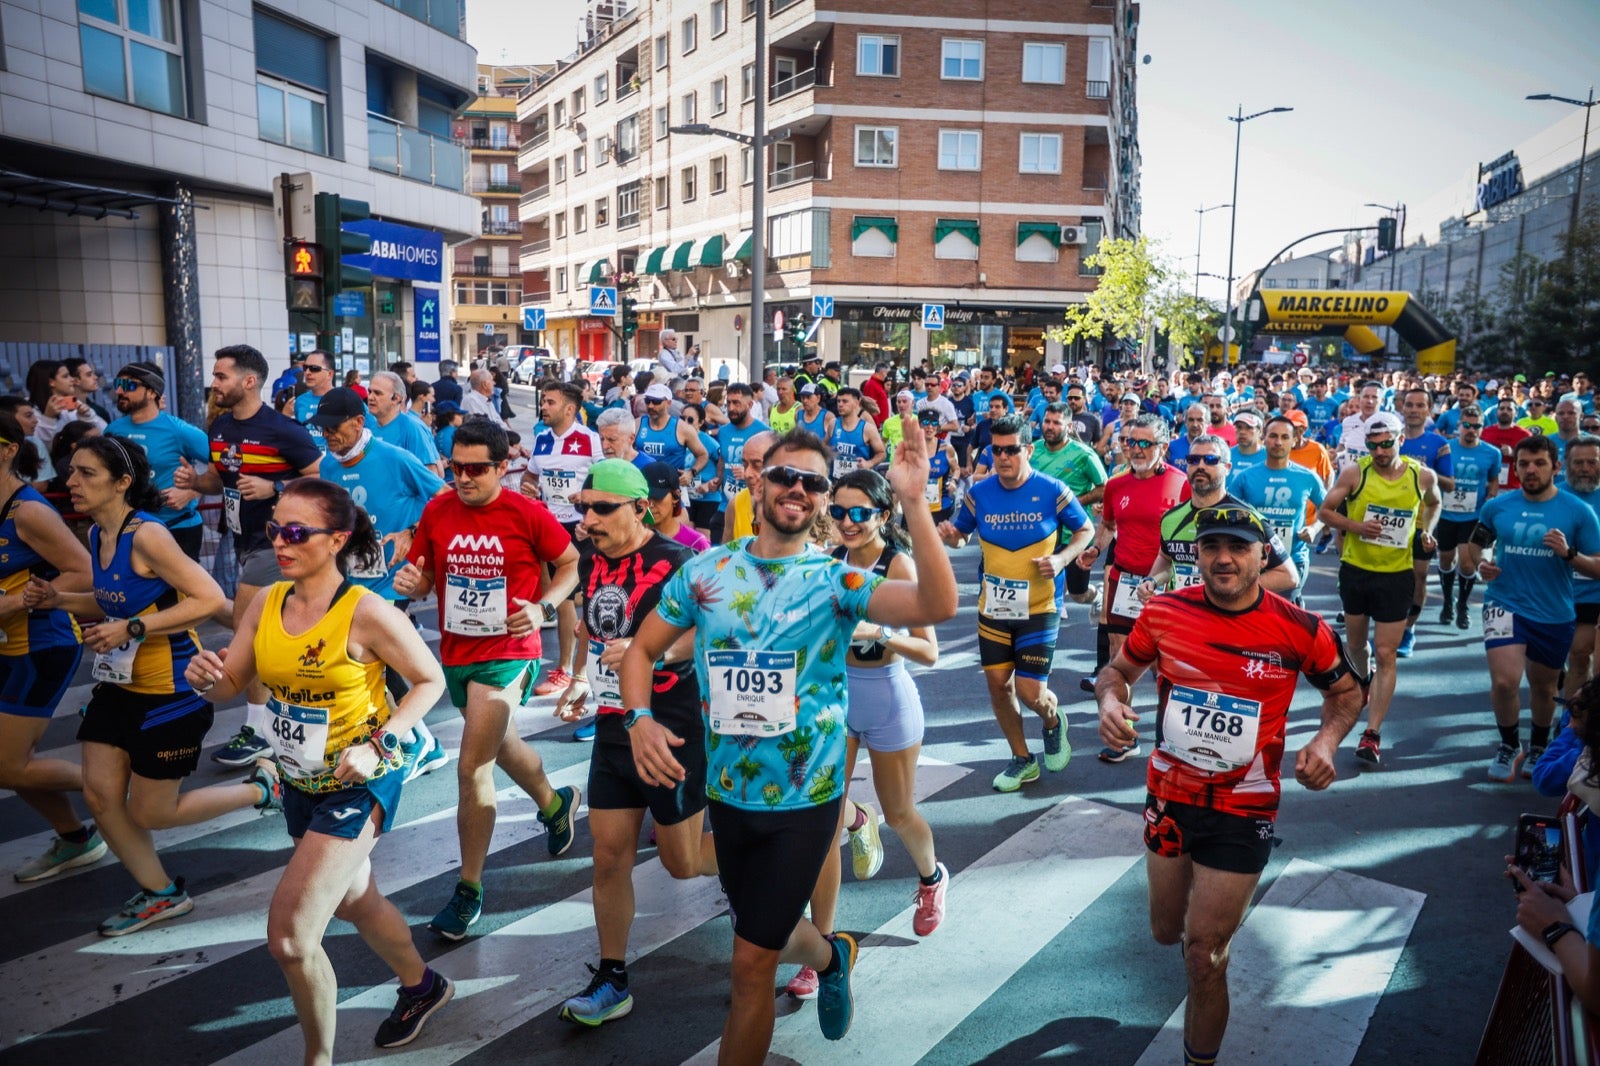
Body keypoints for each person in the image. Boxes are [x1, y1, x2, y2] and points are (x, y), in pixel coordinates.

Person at [620, 421, 958, 1061]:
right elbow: (641, 650)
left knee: (749, 964)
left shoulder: (837, 582)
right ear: (757, 479)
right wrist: (638, 720)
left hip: (807, 800)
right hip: (729, 794)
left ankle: (823, 959)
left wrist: (915, 503)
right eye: (784, 475)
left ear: (824, 499)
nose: (797, 488)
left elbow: (937, 607)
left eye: (814, 482)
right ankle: (833, 956)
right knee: (756, 931)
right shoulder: (706, 573)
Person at [184, 479, 454, 1061]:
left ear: (336, 539)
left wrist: (382, 744)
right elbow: (233, 682)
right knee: (356, 900)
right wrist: (208, 676)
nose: (281, 541)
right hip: (299, 781)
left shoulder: (366, 611)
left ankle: (318, 1058)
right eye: (275, 529)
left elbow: (430, 680)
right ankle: (423, 986)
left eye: (297, 532)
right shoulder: (266, 601)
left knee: (289, 938)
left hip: (358, 782)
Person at [1097, 505, 1362, 1066]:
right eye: (1211, 546)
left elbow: (1347, 693)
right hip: (1170, 796)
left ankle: (1201, 1057)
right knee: (1167, 933)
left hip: (1246, 809)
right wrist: (1109, 699)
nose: (1223, 558)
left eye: (1238, 547)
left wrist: (1325, 743)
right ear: (1197, 553)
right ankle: (1197, 931)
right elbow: (1119, 671)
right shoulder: (1165, 612)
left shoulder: (1300, 628)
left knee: (1204, 954)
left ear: (1263, 555)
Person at [28, 436, 267, 934]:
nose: (71, 482)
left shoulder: (148, 536)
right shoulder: (98, 534)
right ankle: (161, 893)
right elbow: (111, 598)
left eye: (86, 473)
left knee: (152, 812)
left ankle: (264, 790)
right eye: (71, 471)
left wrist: (132, 628)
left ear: (122, 482)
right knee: (98, 796)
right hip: (119, 687)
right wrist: (57, 599)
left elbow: (205, 597)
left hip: (170, 694)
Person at [394, 418, 582, 939]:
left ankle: (469, 887)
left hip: (509, 651)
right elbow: (425, 574)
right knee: (500, 745)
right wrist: (415, 580)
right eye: (457, 467)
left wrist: (543, 607)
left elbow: (570, 563)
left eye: (477, 469)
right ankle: (555, 803)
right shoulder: (438, 509)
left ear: (503, 467)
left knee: (472, 764)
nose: (464, 478)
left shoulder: (527, 512)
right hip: (458, 650)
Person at [549, 460, 715, 1027]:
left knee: (683, 864)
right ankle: (612, 976)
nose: (588, 519)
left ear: (640, 507)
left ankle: (764, 863)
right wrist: (578, 680)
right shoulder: (592, 560)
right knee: (608, 856)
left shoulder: (678, 563)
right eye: (583, 507)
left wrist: (656, 651)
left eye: (602, 508)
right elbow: (593, 632)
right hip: (615, 730)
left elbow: (713, 632)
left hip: (671, 729)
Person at [787, 469, 947, 999]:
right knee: (823, 824)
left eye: (860, 513)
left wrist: (882, 632)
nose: (848, 523)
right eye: (839, 512)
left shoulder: (896, 564)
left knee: (900, 811)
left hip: (888, 700)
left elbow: (930, 650)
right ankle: (823, 947)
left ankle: (930, 880)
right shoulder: (827, 563)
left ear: (883, 515)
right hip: (836, 701)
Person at [174, 345, 323, 769]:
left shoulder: (282, 429)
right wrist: (194, 482)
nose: (214, 383)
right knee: (264, 628)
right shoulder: (220, 428)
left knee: (249, 631)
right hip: (241, 540)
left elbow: (320, 477)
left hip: (277, 541)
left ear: (248, 381)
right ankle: (297, 705)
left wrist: (276, 489)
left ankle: (258, 731)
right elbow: (219, 481)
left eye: (221, 376)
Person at [938, 415, 1094, 791]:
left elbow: (1085, 530)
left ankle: (1053, 721)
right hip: (994, 608)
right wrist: (952, 536)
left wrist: (1061, 559)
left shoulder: (1052, 489)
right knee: (997, 685)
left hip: (1040, 608)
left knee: (1030, 692)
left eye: (1011, 450)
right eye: (996, 450)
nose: (1002, 457)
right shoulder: (980, 493)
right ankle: (1022, 758)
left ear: (1028, 449)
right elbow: (962, 535)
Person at [314, 388, 449, 778]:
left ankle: (420, 740)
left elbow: (444, 498)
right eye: (322, 430)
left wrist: (410, 530)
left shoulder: (395, 458)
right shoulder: (328, 466)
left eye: (334, 428)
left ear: (359, 422)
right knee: (365, 661)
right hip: (352, 580)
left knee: (382, 658)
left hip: (395, 579)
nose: (328, 436)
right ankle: (407, 737)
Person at [1461, 435, 1600, 781]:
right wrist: (1481, 566)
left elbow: (1597, 565)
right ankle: (1509, 744)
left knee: (1543, 686)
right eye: (1524, 464)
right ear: (1516, 468)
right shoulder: (1498, 507)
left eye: (1539, 463)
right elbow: (1472, 550)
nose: (1531, 470)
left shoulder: (1578, 511)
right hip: (1504, 602)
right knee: (1506, 681)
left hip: (1554, 611)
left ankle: (1538, 745)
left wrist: (1569, 554)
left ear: (1555, 467)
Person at [0, 410, 101, 883]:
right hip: (6, 649)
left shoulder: (29, 511)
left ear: (6, 450)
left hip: (44, 644)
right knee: (8, 764)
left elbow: (83, 570)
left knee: (7, 764)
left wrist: (15, 601)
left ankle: (122, 787)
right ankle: (75, 838)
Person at [1317, 411, 1442, 769]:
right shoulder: (1357, 471)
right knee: (1356, 645)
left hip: (1396, 575)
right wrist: (1357, 526)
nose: (1380, 451)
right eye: (1373, 445)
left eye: (1386, 443)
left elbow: (1434, 503)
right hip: (1357, 570)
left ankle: (1371, 733)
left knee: (1387, 652)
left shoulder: (1422, 475)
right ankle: (1365, 680)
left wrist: (1426, 529)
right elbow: (1326, 512)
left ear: (1401, 439)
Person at [1077, 413, 1190, 739]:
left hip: (1162, 583)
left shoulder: (1181, 483)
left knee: (1161, 660)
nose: (1136, 449)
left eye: (1145, 443)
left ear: (1163, 446)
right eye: (1130, 442)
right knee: (1120, 653)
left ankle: (1173, 730)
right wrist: (1096, 551)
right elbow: (1109, 527)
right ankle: (1123, 730)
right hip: (1123, 579)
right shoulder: (1116, 484)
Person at [523, 382, 603, 699]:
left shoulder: (589, 440)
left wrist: (586, 499)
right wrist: (530, 488)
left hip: (583, 526)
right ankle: (567, 668)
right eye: (543, 401)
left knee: (588, 596)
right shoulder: (542, 439)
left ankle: (587, 669)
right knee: (562, 597)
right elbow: (530, 475)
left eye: (550, 402)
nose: (543, 407)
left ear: (569, 409)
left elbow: (605, 479)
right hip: (550, 525)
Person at [106, 362, 212, 561]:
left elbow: (227, 467)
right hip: (128, 528)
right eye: (118, 383)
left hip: (176, 528)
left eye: (129, 385)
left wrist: (191, 492)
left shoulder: (179, 430)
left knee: (182, 591)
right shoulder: (113, 430)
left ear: (152, 392)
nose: (119, 390)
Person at [1229, 416, 1327, 606]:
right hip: (1254, 559)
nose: (1278, 442)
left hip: (1293, 558)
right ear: (1264, 438)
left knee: (1281, 612)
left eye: (1284, 437)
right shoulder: (1245, 477)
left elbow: (1327, 508)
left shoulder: (1307, 477)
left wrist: (1314, 529)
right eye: (1273, 436)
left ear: (1294, 440)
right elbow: (1228, 512)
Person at [1433, 404, 1500, 629]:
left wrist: (1491, 495)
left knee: (1467, 564)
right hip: (1445, 514)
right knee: (1445, 559)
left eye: (1476, 426)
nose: (1471, 430)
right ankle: (1447, 602)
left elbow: (1493, 480)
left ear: (1482, 427)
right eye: (1467, 425)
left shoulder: (1492, 453)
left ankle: (1462, 605)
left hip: (1473, 516)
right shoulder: (1446, 448)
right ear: (1459, 426)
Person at [1561, 435, 1600, 705]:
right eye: (1578, 463)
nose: (1585, 468)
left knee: (1580, 654)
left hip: (1594, 592)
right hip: (1557, 592)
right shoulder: (1553, 495)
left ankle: (1570, 725)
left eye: (1592, 462)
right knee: (1552, 663)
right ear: (1566, 464)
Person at [368, 370, 443, 477]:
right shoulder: (368, 430)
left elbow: (431, 474)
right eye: (369, 392)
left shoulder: (412, 428)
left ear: (396, 398)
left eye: (377, 393)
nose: (370, 397)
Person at [636, 382, 710, 485]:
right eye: (647, 401)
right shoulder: (637, 424)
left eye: (656, 401)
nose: (650, 406)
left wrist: (691, 473)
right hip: (642, 486)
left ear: (668, 403)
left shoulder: (683, 428)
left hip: (672, 488)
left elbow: (703, 455)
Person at [640, 461, 710, 551]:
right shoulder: (632, 540)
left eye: (658, 497)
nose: (650, 504)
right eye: (646, 498)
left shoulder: (696, 544)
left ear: (676, 496)